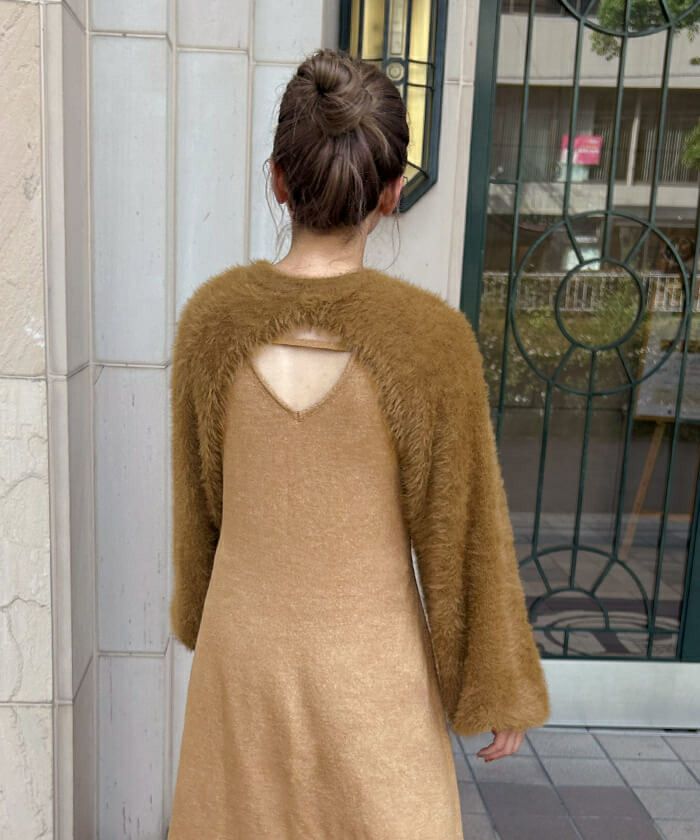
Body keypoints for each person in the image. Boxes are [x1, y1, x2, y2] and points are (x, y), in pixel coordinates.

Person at [167, 47, 550, 839]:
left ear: (278, 179)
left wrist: (199, 613)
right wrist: (494, 681)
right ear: (393, 191)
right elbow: (461, 533)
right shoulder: (430, 341)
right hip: (372, 677)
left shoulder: (211, 323)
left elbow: (197, 508)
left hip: (242, 665)